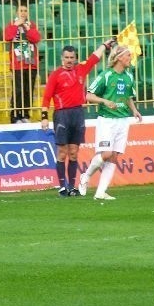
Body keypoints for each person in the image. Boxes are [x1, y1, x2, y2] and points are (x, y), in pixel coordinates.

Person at [41, 38, 113, 197]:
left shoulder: (81, 70)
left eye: (71, 58)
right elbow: (46, 97)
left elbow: (94, 58)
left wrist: (104, 45)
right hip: (61, 115)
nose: (69, 60)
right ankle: (61, 186)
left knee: (74, 152)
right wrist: (44, 117)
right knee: (62, 152)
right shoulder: (55, 75)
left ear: (75, 58)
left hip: (78, 114)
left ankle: (72, 186)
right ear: (62, 58)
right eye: (66, 57)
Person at [79, 44, 142, 200]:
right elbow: (88, 96)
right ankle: (85, 176)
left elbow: (128, 96)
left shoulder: (129, 76)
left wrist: (134, 110)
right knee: (106, 154)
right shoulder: (106, 75)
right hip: (107, 120)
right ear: (119, 57)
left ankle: (100, 192)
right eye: (128, 55)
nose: (130, 58)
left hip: (122, 120)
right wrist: (105, 101)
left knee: (114, 156)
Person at [4, 5, 40, 124]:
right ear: (16, 12)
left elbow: (36, 38)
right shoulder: (11, 24)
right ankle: (15, 116)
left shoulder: (31, 24)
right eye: (21, 11)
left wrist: (27, 28)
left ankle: (25, 114)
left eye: (25, 11)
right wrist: (16, 25)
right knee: (18, 90)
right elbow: (8, 37)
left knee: (28, 90)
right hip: (18, 63)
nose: (23, 13)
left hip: (31, 63)